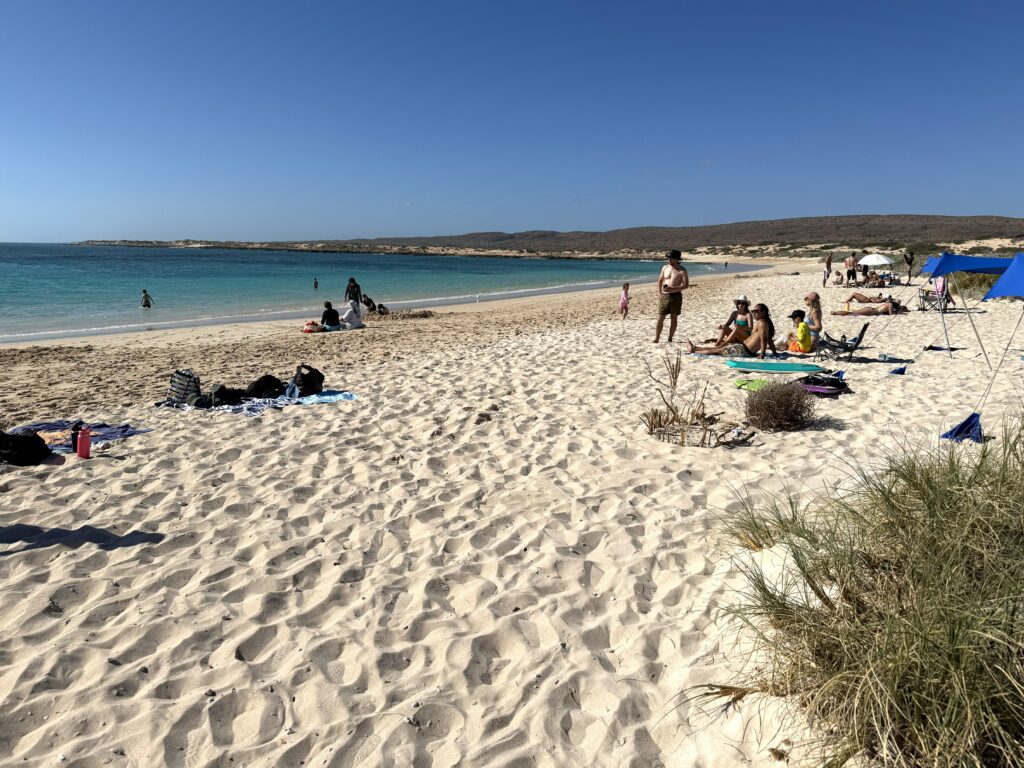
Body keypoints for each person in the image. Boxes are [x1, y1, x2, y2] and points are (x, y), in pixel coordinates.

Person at [685, 303, 776, 358]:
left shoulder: (762, 323)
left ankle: (694, 350)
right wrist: (774, 353)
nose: (753, 313)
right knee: (718, 349)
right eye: (753, 311)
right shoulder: (764, 323)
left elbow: (765, 339)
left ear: (763, 312)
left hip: (744, 350)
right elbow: (769, 340)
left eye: (756, 311)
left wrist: (763, 354)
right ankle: (695, 348)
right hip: (743, 348)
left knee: (718, 351)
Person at [654, 249, 689, 343]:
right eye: (669, 258)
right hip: (664, 295)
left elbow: (686, 285)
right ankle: (656, 338)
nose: (669, 260)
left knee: (674, 317)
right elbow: (660, 280)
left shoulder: (682, 270)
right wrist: (659, 292)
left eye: (672, 258)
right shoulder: (665, 268)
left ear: (677, 259)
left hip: (676, 296)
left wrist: (673, 289)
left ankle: (670, 338)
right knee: (660, 317)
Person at [832, 298, 907, 316]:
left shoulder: (887, 303)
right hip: (871, 311)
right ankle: (835, 313)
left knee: (853, 313)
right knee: (851, 313)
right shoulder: (890, 305)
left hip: (871, 309)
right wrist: (898, 312)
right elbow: (891, 314)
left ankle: (836, 312)